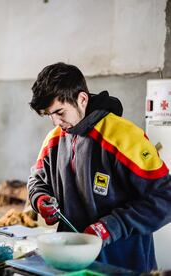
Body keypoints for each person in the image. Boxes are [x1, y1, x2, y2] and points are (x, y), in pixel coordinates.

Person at [27, 62, 171, 272]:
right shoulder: (54, 140)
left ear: (82, 99)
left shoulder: (124, 137)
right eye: (50, 115)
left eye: (60, 112)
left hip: (123, 262)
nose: (55, 122)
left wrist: (109, 227)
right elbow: (37, 180)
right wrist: (40, 199)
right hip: (72, 262)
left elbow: (165, 198)